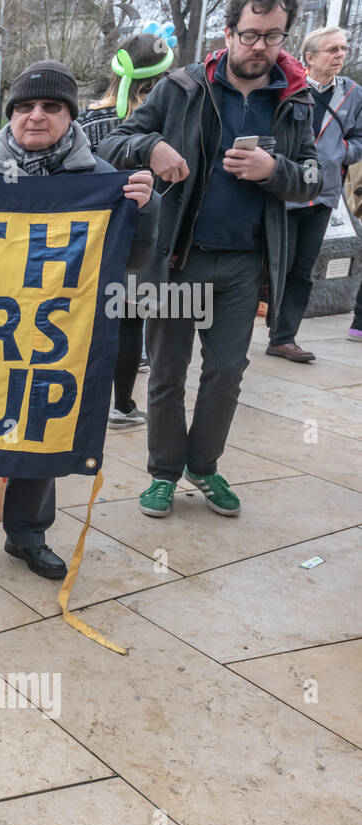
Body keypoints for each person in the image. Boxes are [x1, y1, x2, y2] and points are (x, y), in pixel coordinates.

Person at [0, 59, 159, 579]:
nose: (36, 116)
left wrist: (145, 211)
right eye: (24, 106)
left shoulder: (104, 182)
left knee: (41, 430)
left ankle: (27, 536)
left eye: (51, 106)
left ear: (70, 115)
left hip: (54, 339)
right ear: (10, 115)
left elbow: (135, 260)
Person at [100, 0, 320, 519]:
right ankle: (163, 473)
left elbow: (315, 177)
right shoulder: (184, 87)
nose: (259, 46)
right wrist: (152, 147)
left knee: (225, 373)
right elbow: (115, 141)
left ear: (285, 37)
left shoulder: (296, 99)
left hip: (245, 265)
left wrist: (274, 169)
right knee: (168, 374)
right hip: (178, 260)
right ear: (228, 33)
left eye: (272, 36)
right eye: (249, 34)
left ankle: (203, 464)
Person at [81, 30, 174, 429]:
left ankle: (83, 401)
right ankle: (122, 406)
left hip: (91, 236)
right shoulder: (162, 122)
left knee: (88, 321)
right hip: (141, 236)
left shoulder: (87, 118)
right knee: (129, 320)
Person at [271, 26, 362, 361]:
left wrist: (339, 153)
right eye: (332, 50)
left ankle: (284, 337)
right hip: (285, 189)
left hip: (323, 194)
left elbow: (359, 138)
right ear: (309, 56)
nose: (340, 55)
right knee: (278, 264)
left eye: (343, 49)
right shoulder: (286, 85)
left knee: (303, 269)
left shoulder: (353, 92)